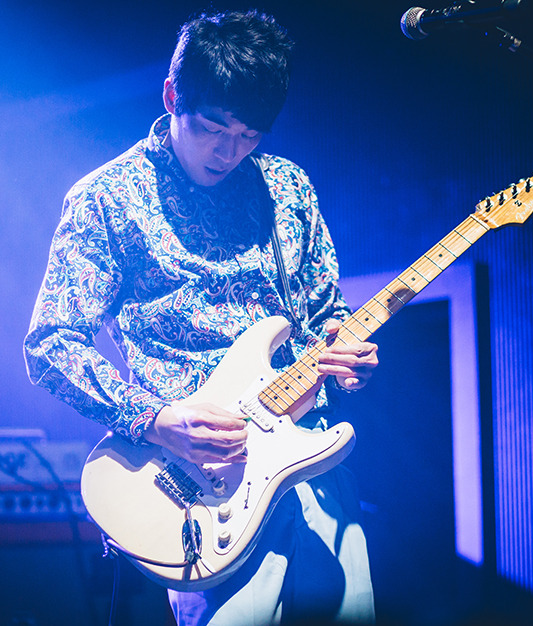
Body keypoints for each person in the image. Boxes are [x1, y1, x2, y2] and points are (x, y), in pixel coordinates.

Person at [24, 9, 379, 625]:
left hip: (309, 460)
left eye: (249, 136)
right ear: (172, 97)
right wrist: (154, 418)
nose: (228, 151)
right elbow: (50, 344)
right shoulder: (107, 198)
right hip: (199, 486)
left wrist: (352, 360)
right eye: (213, 127)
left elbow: (327, 315)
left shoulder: (287, 190)